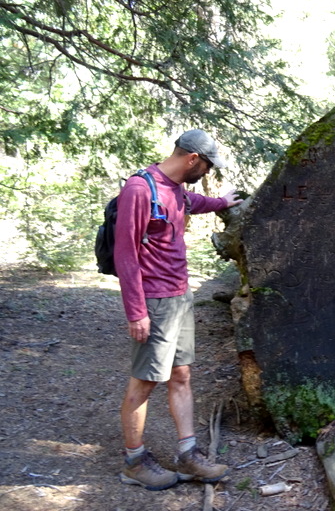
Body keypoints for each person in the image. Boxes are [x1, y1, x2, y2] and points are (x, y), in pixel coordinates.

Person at [115, 129, 241, 490]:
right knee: (145, 381)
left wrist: (221, 202)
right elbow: (126, 254)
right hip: (154, 302)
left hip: (180, 297)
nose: (206, 172)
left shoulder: (175, 189)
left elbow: (190, 203)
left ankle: (188, 454)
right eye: (205, 166)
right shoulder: (140, 189)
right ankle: (134, 461)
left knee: (181, 375)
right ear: (191, 159)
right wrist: (136, 311)